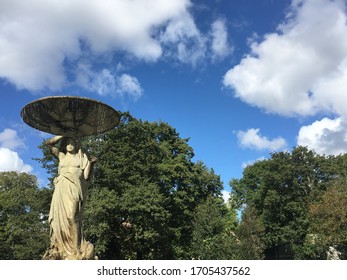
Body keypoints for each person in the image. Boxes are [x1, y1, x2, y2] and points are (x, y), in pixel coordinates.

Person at [43, 135, 97, 260]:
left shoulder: (81, 157)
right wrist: (63, 134)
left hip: (74, 187)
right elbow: (49, 144)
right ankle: (61, 248)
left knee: (72, 216)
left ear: (76, 145)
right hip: (61, 188)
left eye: (73, 142)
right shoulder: (61, 156)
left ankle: (75, 248)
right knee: (58, 219)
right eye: (68, 143)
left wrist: (92, 164)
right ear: (65, 145)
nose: (70, 145)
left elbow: (86, 176)